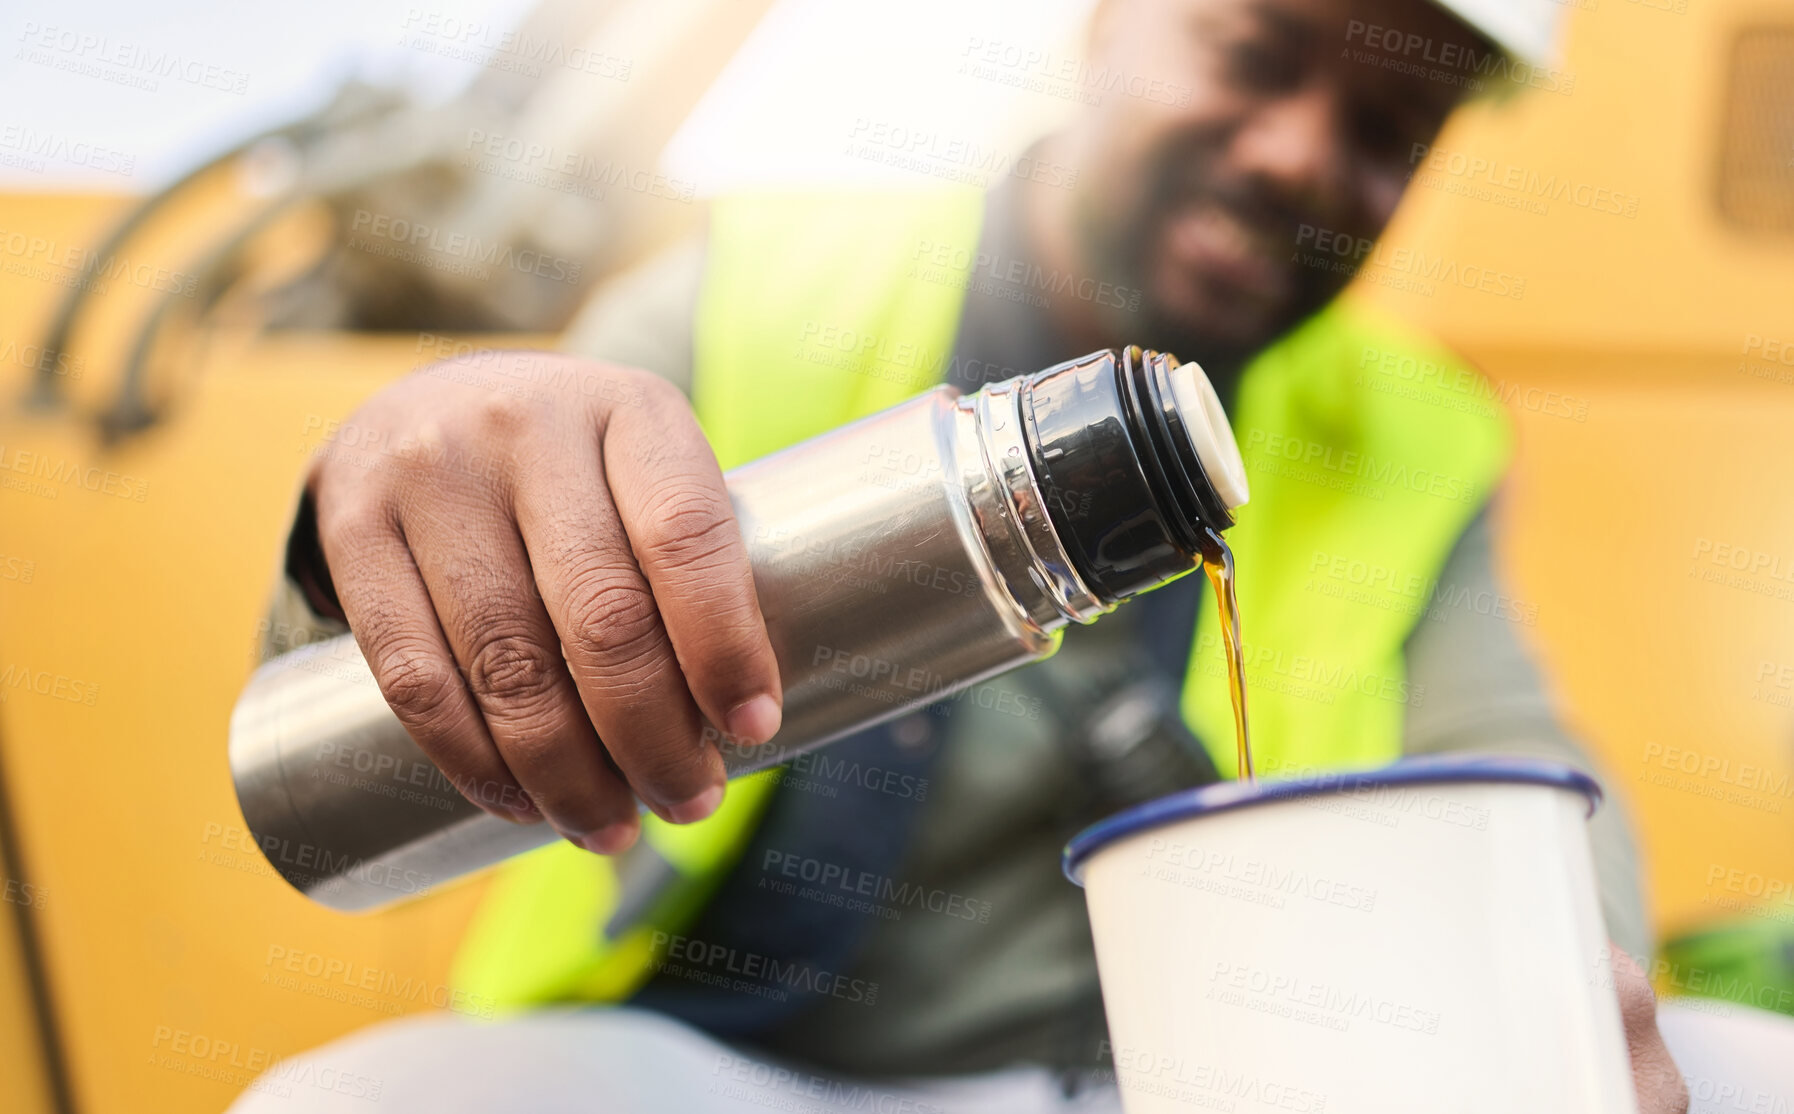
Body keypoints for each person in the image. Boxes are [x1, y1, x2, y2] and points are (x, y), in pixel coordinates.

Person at [237, 0, 1690, 1109]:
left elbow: (1516, 756)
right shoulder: (751, 296)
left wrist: (1564, 990)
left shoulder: (1412, 433)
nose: (1303, 154)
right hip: (696, 1064)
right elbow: (350, 724)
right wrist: (380, 526)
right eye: (1255, 50)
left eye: (1390, 129)